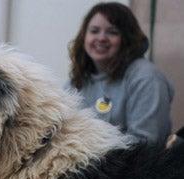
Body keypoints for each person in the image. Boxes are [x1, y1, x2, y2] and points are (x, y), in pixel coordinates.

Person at [68, 2, 174, 148]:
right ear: (83, 37)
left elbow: (145, 144)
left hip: (134, 168)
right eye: (94, 31)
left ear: (127, 39)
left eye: (112, 32)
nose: (101, 38)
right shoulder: (77, 80)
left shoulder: (147, 78)